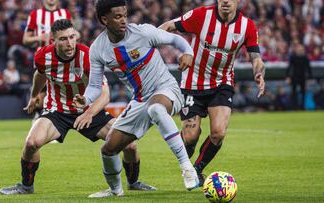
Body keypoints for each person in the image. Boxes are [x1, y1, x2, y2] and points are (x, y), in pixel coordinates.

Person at [0, 19, 155, 195]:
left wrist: (89, 113)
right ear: (53, 41)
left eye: (72, 37)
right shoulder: (43, 56)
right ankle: (26, 187)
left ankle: (133, 183)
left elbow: (105, 95)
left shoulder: (88, 56)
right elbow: (40, 74)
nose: (69, 43)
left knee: (130, 145)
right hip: (57, 111)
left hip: (89, 111)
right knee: (31, 143)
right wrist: (35, 94)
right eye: (63, 39)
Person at [74, 0, 199, 198]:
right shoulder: (98, 49)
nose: (124, 20)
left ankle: (187, 167)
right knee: (108, 149)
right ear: (104, 19)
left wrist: (188, 52)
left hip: (166, 89)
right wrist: (85, 99)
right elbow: (95, 86)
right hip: (140, 101)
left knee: (156, 109)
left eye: (125, 15)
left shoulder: (144, 32)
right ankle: (115, 191)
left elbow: (177, 41)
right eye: (117, 17)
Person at [159, 0, 266, 186]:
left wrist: (258, 73)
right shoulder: (201, 16)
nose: (225, 1)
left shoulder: (246, 26)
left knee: (218, 133)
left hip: (221, 84)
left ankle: (197, 169)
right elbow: (169, 26)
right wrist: (147, 41)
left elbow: (256, 57)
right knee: (190, 137)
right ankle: (187, 152)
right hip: (192, 83)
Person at [23, 0, 73, 119]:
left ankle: (52, 122)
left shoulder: (65, 13)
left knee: (58, 92)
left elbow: (75, 33)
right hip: (43, 59)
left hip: (63, 59)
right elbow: (25, 39)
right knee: (40, 94)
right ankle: (38, 118)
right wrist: (39, 37)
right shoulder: (35, 14)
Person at [286, 44, 312, 109]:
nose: (300, 50)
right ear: (296, 50)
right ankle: (294, 106)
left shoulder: (305, 58)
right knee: (294, 92)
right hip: (294, 76)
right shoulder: (293, 57)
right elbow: (289, 67)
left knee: (303, 92)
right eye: (299, 49)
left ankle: (302, 106)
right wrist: (288, 76)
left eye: (301, 49)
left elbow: (308, 68)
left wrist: (310, 77)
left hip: (302, 77)